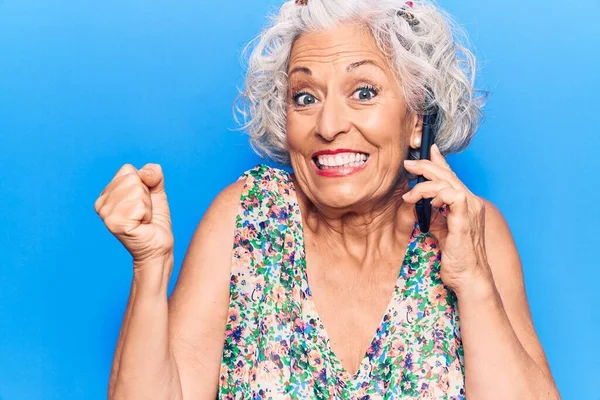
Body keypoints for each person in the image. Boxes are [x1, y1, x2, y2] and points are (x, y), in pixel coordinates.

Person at [94, 0, 560, 398]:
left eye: (363, 92)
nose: (328, 124)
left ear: (416, 118)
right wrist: (149, 265)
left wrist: (474, 281)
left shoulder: (470, 229)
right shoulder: (246, 220)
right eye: (304, 97)